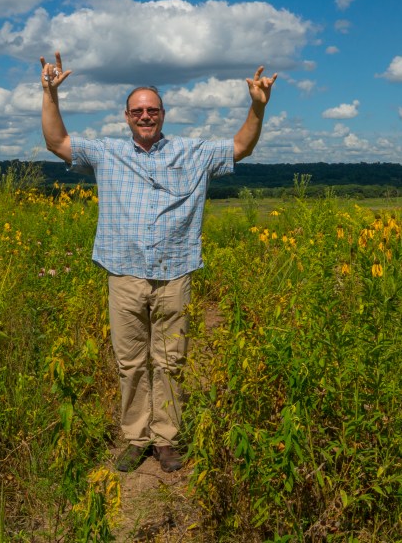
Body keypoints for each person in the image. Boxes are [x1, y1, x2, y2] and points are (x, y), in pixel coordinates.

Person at [39, 49, 276, 473]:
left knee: (170, 361)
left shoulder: (193, 152)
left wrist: (257, 105)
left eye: (152, 110)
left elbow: (241, 145)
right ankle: (136, 437)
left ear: (163, 114)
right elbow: (57, 142)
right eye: (138, 111)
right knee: (130, 363)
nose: (145, 116)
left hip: (174, 275)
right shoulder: (106, 153)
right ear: (126, 116)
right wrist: (50, 95)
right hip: (124, 275)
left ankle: (167, 439)